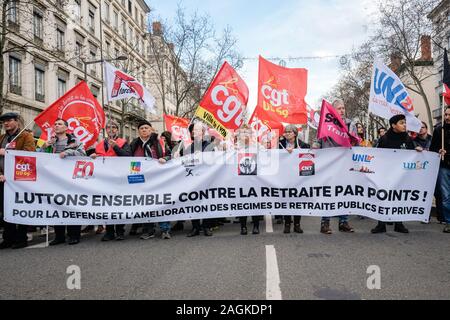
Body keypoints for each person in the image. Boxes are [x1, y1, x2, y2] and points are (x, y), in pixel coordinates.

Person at [371, 114, 424, 234]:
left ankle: (399, 224)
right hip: (386, 175)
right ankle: (381, 224)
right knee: (383, 198)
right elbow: (377, 156)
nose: (404, 125)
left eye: (405, 122)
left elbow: (412, 153)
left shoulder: (408, 139)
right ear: (393, 125)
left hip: (402, 175)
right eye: (401, 123)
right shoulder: (384, 139)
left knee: (399, 197)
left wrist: (418, 150)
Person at [37, 118, 86, 245]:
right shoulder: (49, 141)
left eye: (59, 124)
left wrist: (68, 152)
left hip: (71, 179)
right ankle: (59, 236)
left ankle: (74, 234)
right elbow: (37, 156)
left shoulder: (75, 141)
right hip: (54, 179)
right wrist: (44, 147)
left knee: (72, 206)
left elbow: (82, 154)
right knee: (57, 206)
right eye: (55, 124)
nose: (56, 126)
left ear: (66, 128)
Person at [318, 99, 356, 234]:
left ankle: (343, 222)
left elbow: (355, 140)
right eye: (339, 108)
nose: (342, 110)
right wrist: (316, 146)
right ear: (333, 110)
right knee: (328, 192)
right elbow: (319, 140)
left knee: (344, 192)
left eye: (343, 108)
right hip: (329, 163)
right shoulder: (325, 123)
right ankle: (325, 223)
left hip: (344, 163)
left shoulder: (350, 123)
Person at [90, 120, 131, 241]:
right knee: (106, 205)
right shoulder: (100, 144)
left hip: (119, 179)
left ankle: (120, 231)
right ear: (106, 130)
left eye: (114, 128)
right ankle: (109, 231)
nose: (111, 130)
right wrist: (93, 157)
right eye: (109, 128)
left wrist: (116, 147)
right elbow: (96, 159)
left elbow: (128, 157)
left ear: (117, 130)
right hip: (104, 180)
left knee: (118, 205)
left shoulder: (123, 142)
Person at [130, 120, 172, 240]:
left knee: (161, 202)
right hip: (141, 178)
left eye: (146, 128)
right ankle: (148, 229)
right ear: (138, 131)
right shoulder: (134, 143)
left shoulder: (159, 142)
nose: (144, 130)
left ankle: (165, 229)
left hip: (158, 177)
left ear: (151, 129)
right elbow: (127, 157)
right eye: (141, 128)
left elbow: (170, 154)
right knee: (145, 204)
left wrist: (165, 158)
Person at [0, 112, 35, 249]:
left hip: (20, 180)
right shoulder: (2, 138)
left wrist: (7, 152)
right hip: (3, 180)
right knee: (6, 210)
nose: (6, 123)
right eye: (4, 121)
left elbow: (30, 155)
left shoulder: (26, 136)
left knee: (20, 208)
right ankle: (8, 238)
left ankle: (21, 238)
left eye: (9, 120)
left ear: (17, 122)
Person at [177, 122, 215, 237]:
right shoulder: (187, 147)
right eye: (193, 130)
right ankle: (195, 227)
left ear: (203, 132)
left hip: (206, 179)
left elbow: (213, 161)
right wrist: (176, 156)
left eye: (198, 130)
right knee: (193, 202)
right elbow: (181, 162)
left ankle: (207, 226)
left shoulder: (210, 146)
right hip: (192, 179)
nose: (195, 132)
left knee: (206, 202)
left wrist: (203, 156)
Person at [279, 125, 310, 234]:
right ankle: (287, 224)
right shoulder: (279, 144)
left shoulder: (302, 145)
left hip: (298, 177)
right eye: (285, 132)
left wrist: (296, 151)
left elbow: (310, 153)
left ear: (295, 133)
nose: (287, 133)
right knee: (286, 200)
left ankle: (297, 224)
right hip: (284, 176)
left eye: (289, 132)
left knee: (298, 200)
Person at [235, 124, 263, 235]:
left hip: (254, 179)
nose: (245, 134)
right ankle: (243, 227)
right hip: (240, 179)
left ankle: (256, 226)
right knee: (242, 203)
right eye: (242, 132)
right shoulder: (234, 147)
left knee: (254, 203)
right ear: (239, 134)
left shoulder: (257, 146)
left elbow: (267, 156)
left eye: (247, 132)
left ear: (251, 134)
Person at [430, 106, 450, 233]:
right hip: (444, 167)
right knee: (446, 195)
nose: (447, 117)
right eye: (446, 114)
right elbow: (432, 148)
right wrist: (438, 150)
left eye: (449, 115)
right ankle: (448, 221)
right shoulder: (439, 130)